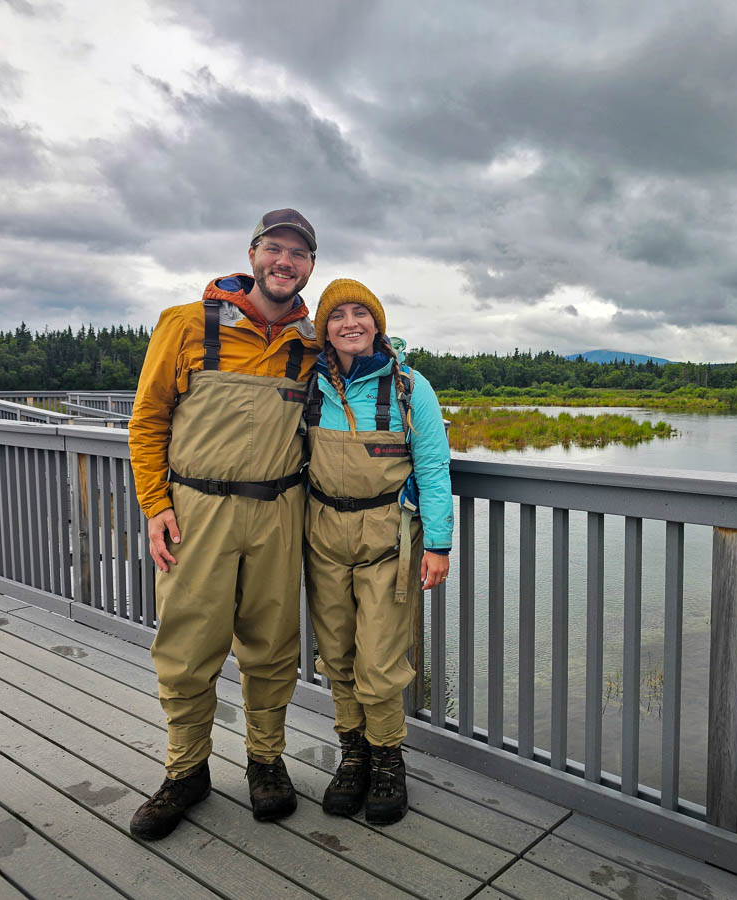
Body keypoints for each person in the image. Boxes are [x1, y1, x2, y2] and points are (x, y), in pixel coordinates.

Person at [126, 208, 321, 840]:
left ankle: (266, 762)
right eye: (275, 249)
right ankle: (186, 771)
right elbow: (148, 420)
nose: (284, 262)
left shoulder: (309, 344)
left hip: (278, 511)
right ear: (253, 254)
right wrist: (155, 505)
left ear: (310, 267)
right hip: (197, 512)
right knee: (186, 647)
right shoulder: (185, 324)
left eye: (298, 254)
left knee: (272, 646)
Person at [305, 278, 453, 825]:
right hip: (322, 537)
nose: (350, 323)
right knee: (337, 654)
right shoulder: (308, 385)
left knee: (381, 659)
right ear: (324, 328)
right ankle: (354, 755)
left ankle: (389, 760)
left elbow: (435, 469)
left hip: (389, 545)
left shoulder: (413, 388)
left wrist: (438, 544)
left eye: (360, 313)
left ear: (377, 323)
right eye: (338, 315)